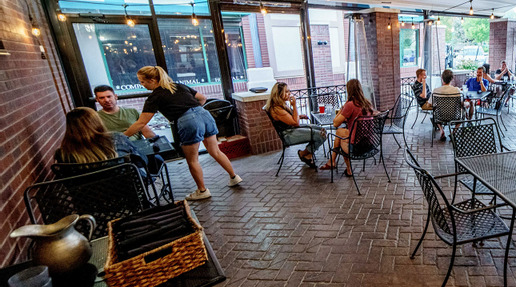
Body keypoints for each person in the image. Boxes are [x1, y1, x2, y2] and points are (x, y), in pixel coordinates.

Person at [124, 66, 241, 201]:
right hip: (204, 115)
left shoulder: (155, 96)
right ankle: (234, 177)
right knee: (216, 151)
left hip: (187, 121)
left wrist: (123, 136)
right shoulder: (178, 86)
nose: (141, 85)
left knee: (192, 160)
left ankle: (202, 190)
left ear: (152, 80)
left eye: (142, 82)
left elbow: (141, 123)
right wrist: (196, 113)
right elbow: (202, 98)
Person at [55, 107, 148, 174]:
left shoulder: (62, 153)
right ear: (96, 122)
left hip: (90, 198)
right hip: (127, 189)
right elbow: (142, 161)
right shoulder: (116, 139)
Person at [320, 79, 373, 177]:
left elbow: (335, 123)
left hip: (356, 148)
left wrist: (342, 109)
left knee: (339, 134)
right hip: (369, 144)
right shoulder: (367, 103)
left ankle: (345, 168)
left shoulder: (350, 105)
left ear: (349, 90)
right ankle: (332, 162)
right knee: (341, 133)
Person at [264, 82, 325, 168]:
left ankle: (307, 155)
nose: (289, 94)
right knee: (320, 135)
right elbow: (295, 123)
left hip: (292, 129)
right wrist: (294, 105)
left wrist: (299, 116)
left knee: (322, 130)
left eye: (289, 91)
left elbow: (289, 119)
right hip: (288, 135)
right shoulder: (276, 109)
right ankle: (304, 153)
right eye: (286, 92)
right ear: (279, 94)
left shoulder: (281, 105)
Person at [431, 69, 462, 141]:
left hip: (440, 116)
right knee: (462, 117)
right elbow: (461, 103)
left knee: (435, 114)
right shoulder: (457, 90)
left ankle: (441, 130)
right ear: (451, 79)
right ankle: (453, 132)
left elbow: (430, 103)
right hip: (454, 116)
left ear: (442, 78)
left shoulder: (436, 90)